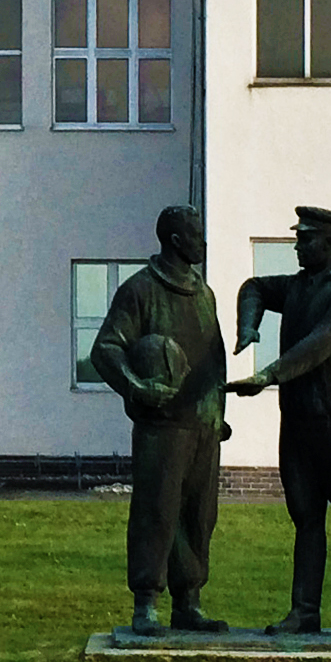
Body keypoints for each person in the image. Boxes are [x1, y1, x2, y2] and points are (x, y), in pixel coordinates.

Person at [233, 204, 331, 637]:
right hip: (298, 422)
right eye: (297, 238)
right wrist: (248, 328)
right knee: (306, 518)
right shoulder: (299, 287)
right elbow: (254, 287)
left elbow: (320, 343)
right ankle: (304, 611)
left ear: (330, 243)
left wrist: (268, 375)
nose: (297, 246)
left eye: (305, 239)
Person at [84, 204, 229, 637]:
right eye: (196, 235)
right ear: (175, 241)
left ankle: (189, 602)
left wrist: (219, 414)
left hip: (203, 425)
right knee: (156, 510)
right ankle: (146, 602)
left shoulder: (204, 294)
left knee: (199, 514)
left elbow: (214, 360)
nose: (203, 242)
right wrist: (135, 385)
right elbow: (106, 349)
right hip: (161, 426)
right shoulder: (140, 290)